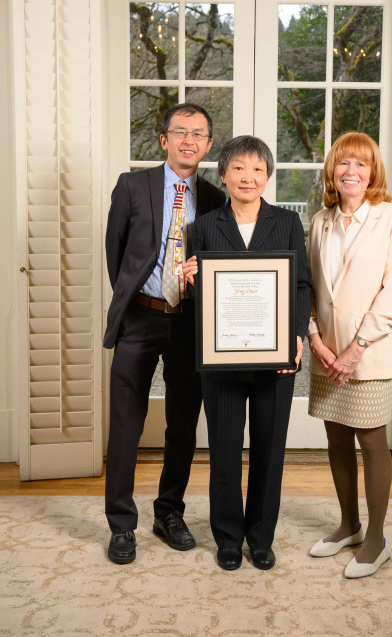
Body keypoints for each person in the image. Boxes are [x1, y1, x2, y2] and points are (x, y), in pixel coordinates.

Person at [103, 103, 226, 565]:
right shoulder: (133, 185)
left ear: (209, 145)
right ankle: (121, 523)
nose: (189, 140)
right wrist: (137, 298)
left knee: (181, 424)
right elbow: (116, 255)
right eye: (181, 132)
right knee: (126, 423)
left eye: (198, 133)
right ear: (164, 140)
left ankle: (169, 512)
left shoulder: (216, 198)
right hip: (139, 317)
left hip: (189, 323)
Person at [183, 136, 311, 571]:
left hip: (276, 357)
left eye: (257, 169)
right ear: (223, 174)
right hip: (222, 359)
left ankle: (260, 538)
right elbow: (203, 299)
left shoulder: (288, 223)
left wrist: (295, 337)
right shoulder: (201, 227)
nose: (248, 177)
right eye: (239, 168)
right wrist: (193, 279)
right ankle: (227, 538)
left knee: (270, 450)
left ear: (268, 176)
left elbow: (301, 286)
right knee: (223, 450)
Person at [306, 131, 392, 579]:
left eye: (361, 164)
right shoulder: (319, 222)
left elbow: (391, 293)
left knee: (371, 442)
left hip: (366, 355)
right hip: (326, 353)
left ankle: (377, 538)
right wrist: (315, 340)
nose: (351, 171)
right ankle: (349, 524)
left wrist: (354, 350)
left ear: (373, 172)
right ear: (332, 170)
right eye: (343, 163)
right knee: (336, 439)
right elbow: (308, 290)